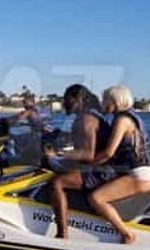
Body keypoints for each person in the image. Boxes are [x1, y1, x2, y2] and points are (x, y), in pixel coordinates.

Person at [87, 85, 150, 244]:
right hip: (145, 170)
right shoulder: (132, 116)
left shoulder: (122, 120)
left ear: (114, 101)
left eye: (105, 100)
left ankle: (126, 234)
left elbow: (108, 152)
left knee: (96, 198)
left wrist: (89, 163)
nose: (103, 104)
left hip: (139, 174)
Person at [44, 84, 114, 239]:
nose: (64, 103)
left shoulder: (87, 119)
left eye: (66, 99)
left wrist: (58, 153)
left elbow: (88, 154)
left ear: (77, 99)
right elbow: (80, 143)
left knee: (57, 183)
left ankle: (62, 233)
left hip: (101, 170)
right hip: (93, 166)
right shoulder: (85, 117)